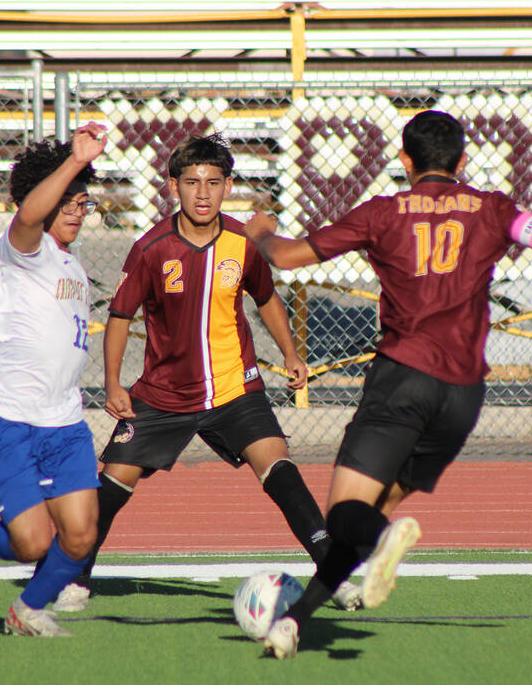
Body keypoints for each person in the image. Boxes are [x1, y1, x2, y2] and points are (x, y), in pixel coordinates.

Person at [245, 109, 532, 658]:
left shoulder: (384, 212)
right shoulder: (493, 210)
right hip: (463, 395)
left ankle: (378, 541)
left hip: (402, 377)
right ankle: (295, 624)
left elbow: (288, 256)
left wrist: (260, 232)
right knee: (372, 515)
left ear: (403, 160)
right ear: (463, 162)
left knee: (346, 515)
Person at [77, 133, 359, 611]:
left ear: (228, 186)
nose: (202, 193)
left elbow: (266, 297)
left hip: (235, 388)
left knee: (279, 466)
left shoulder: (243, 242)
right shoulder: (151, 248)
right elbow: (120, 318)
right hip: (164, 393)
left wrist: (290, 352)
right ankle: (74, 577)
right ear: (173, 187)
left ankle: (332, 568)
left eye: (213, 182)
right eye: (191, 182)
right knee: (113, 484)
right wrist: (112, 383)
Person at [0, 123, 108, 637]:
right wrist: (74, 160)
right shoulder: (18, 247)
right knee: (33, 544)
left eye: (82, 201)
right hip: (10, 421)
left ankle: (27, 611)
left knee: (82, 536)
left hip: (64, 422)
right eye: (65, 200)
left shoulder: (73, 266)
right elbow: (28, 217)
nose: (75, 210)